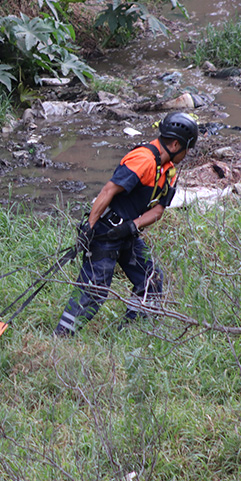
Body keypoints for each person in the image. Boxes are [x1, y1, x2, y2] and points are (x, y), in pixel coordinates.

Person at [54, 112, 199, 335]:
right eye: (187, 149)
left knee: (151, 278)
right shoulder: (143, 160)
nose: (187, 154)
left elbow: (158, 210)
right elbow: (109, 190)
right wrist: (89, 228)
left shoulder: (169, 172)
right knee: (93, 290)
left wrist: (132, 226)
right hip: (105, 232)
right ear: (176, 144)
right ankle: (61, 337)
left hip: (126, 234)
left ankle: (131, 330)